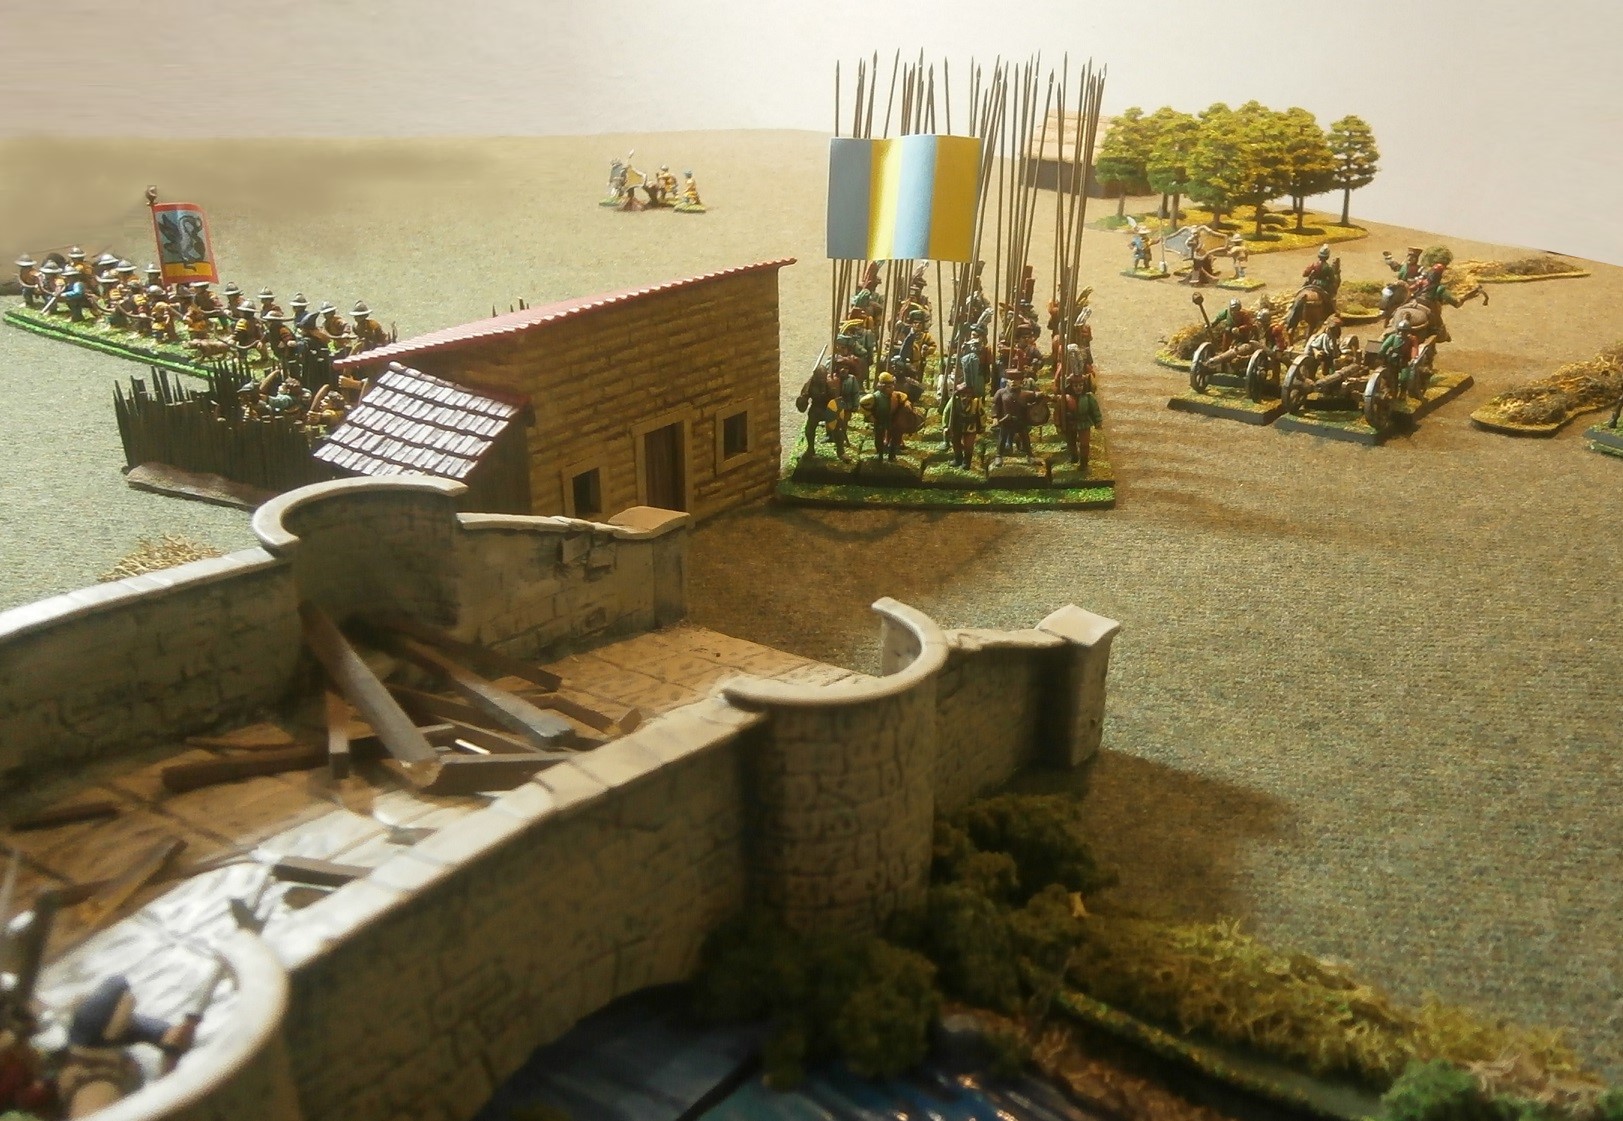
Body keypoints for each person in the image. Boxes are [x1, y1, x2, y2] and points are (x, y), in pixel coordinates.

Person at [56, 975, 195, 1119]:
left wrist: (172, 1051)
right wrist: (170, 1062)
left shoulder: (90, 1056)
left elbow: (161, 1034)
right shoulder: (97, 1088)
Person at [796, 360, 849, 459]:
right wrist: (803, 399)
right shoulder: (810, 384)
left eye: (823, 378)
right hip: (816, 408)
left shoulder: (831, 383)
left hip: (828, 408)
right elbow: (804, 397)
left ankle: (841, 452)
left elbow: (836, 399)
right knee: (809, 429)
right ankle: (810, 450)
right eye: (819, 378)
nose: (821, 380)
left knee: (837, 429)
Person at [860, 371, 913, 461]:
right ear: (881, 386)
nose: (891, 388)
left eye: (892, 386)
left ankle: (892, 455)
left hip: (892, 420)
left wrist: (907, 403)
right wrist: (869, 416)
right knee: (879, 438)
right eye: (888, 387)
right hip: (880, 420)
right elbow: (862, 404)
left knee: (895, 437)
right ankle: (879, 454)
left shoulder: (896, 395)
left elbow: (904, 398)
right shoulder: (874, 397)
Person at [942, 380, 985, 469]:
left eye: (968, 396)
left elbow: (981, 414)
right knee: (955, 442)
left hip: (970, 426)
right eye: (963, 395)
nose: (966, 398)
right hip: (957, 425)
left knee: (968, 445)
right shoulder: (954, 401)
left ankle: (966, 462)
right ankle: (958, 459)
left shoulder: (976, 402)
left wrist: (982, 425)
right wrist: (945, 426)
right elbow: (946, 413)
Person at [992, 376, 1033, 459]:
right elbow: (995, 405)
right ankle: (999, 456)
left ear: (1020, 381)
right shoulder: (1001, 392)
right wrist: (995, 417)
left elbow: (1036, 397)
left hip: (1020, 420)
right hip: (1006, 420)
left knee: (1025, 437)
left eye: (1016, 379)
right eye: (1011, 379)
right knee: (1002, 437)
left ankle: (1030, 455)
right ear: (1007, 381)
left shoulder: (1025, 394)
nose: (1013, 381)